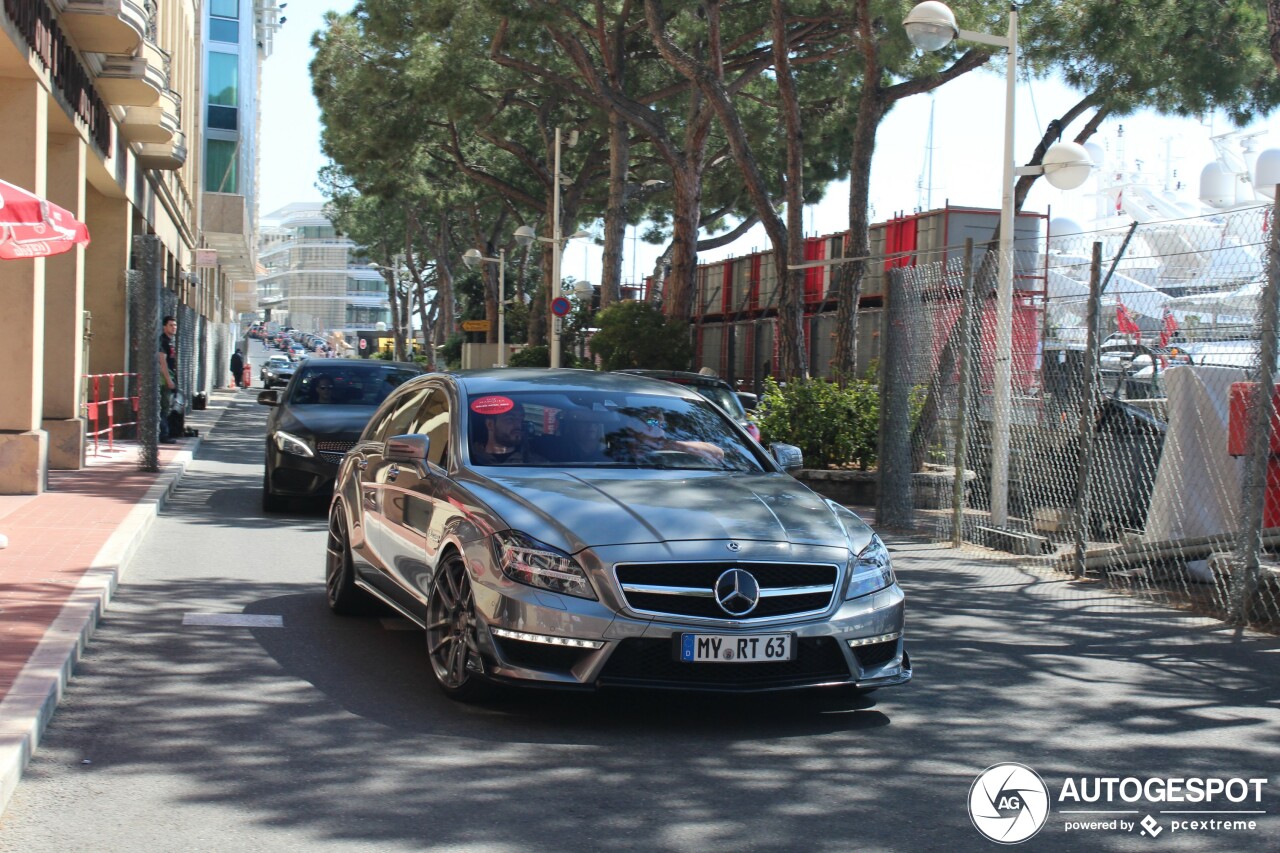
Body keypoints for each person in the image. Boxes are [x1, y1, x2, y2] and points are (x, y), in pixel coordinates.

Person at [623, 408, 725, 464]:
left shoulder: (668, 450)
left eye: (661, 424)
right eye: (650, 421)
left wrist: (666, 444)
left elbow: (717, 453)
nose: (657, 427)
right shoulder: (619, 453)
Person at [470, 402, 545, 465]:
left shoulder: (536, 463)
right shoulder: (467, 458)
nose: (518, 425)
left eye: (520, 419)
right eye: (510, 419)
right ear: (490, 424)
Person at [157, 316, 177, 444]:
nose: (173, 327)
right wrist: (168, 380)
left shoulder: (170, 341)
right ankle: (163, 435)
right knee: (164, 408)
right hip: (163, 380)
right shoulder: (163, 341)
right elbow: (162, 362)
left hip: (169, 378)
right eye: (170, 325)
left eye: (175, 325)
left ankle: (166, 432)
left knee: (167, 407)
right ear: (164, 327)